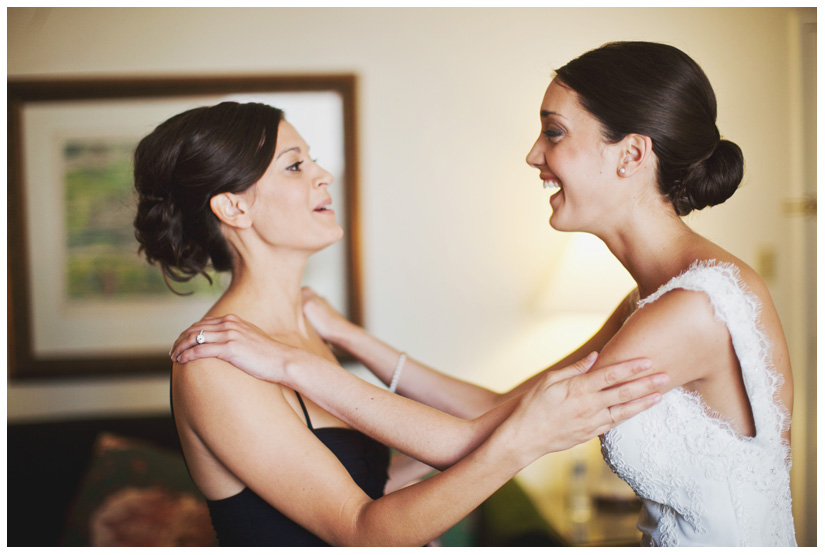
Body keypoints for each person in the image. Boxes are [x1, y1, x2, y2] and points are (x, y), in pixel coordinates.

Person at [172, 42, 796, 547]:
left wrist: (293, 364)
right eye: (293, 165)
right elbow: (498, 412)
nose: (533, 155)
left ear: (632, 155)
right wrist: (351, 339)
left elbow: (472, 439)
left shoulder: (689, 312)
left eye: (553, 132)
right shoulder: (652, 301)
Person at [136, 101, 666, 547]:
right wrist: (528, 438)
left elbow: (387, 478)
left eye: (313, 161)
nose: (323, 175)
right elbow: (362, 530)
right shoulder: (216, 363)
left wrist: (617, 329)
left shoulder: (304, 331)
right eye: (295, 166)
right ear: (233, 207)